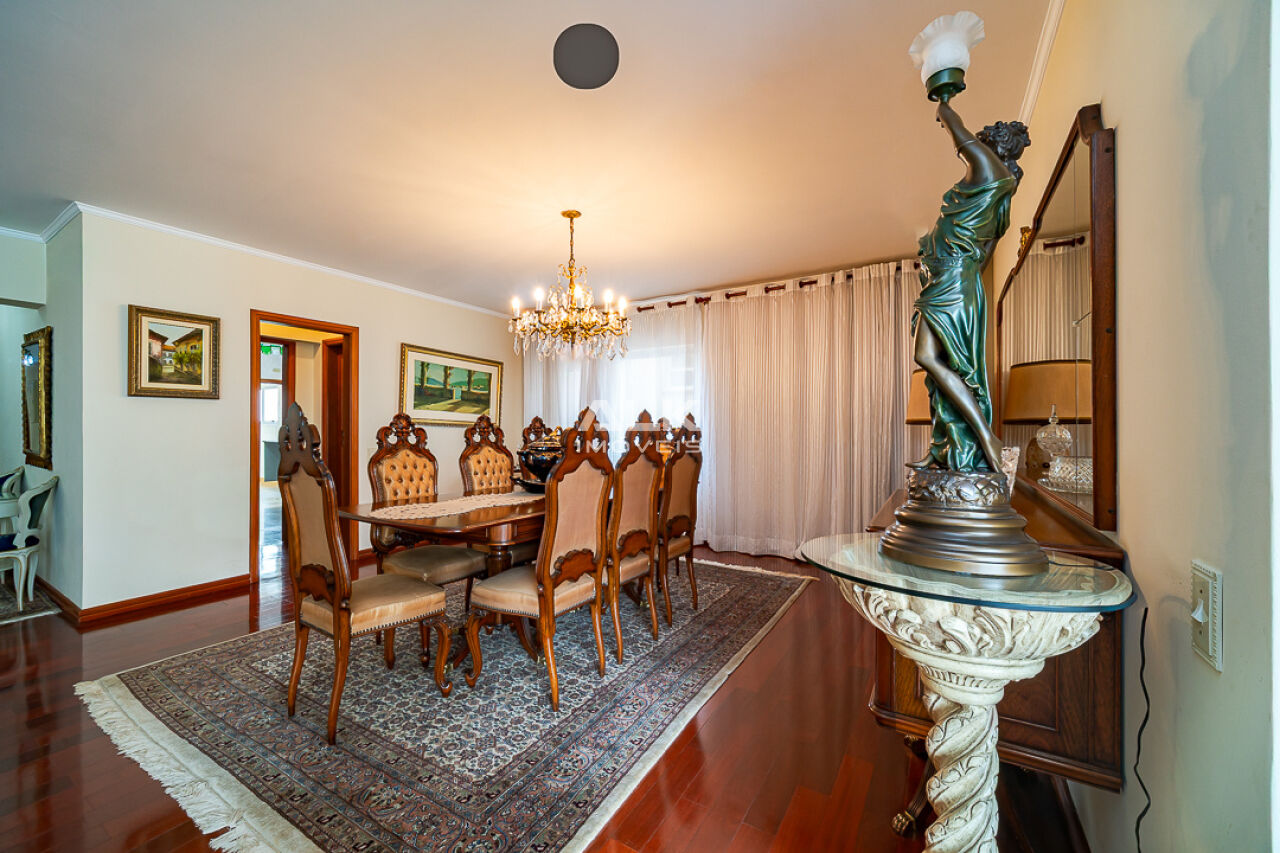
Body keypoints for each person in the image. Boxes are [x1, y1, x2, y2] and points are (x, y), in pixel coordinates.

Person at [910, 99, 1030, 472]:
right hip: (954, 280)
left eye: (987, 137)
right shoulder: (1000, 191)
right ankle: (946, 447)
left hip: (953, 281)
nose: (981, 138)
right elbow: (984, 256)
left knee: (928, 357)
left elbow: (959, 134)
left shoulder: (989, 171)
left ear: (995, 145)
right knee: (939, 363)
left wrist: (942, 102)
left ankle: (984, 437)